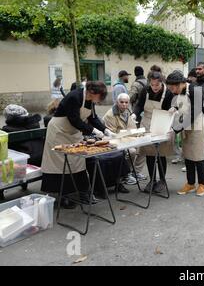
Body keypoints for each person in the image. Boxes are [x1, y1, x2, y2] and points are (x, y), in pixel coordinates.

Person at [41, 81, 112, 209]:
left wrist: (105, 130)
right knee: (61, 164)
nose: (100, 100)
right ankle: (64, 196)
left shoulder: (90, 100)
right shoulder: (74, 97)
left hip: (73, 132)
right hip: (59, 132)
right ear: (92, 92)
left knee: (78, 162)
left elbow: (93, 118)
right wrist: (93, 131)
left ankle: (83, 193)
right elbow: (74, 119)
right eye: (100, 96)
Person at [166, 70, 204, 197]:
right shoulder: (179, 92)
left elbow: (194, 112)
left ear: (181, 83)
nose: (172, 90)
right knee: (188, 156)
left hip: (197, 127)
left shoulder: (195, 90)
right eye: (170, 88)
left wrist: (176, 129)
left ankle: (202, 184)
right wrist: (174, 108)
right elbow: (181, 105)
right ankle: (190, 183)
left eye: (173, 87)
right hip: (186, 127)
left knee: (198, 156)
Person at [133, 71, 174, 194]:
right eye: (152, 85)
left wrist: (170, 124)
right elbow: (139, 105)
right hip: (146, 123)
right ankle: (152, 180)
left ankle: (162, 180)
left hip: (162, 122)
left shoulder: (168, 93)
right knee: (149, 153)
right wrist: (134, 114)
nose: (154, 88)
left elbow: (170, 111)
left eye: (157, 85)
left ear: (162, 82)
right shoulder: (145, 90)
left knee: (161, 154)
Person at [103, 93, 147, 186]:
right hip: (114, 141)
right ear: (116, 102)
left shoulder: (127, 111)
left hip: (126, 138)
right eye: (121, 102)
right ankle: (125, 174)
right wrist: (129, 134)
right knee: (131, 151)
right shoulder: (110, 115)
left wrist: (140, 134)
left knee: (145, 146)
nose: (124, 104)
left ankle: (135, 172)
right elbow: (112, 135)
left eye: (126, 102)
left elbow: (132, 128)